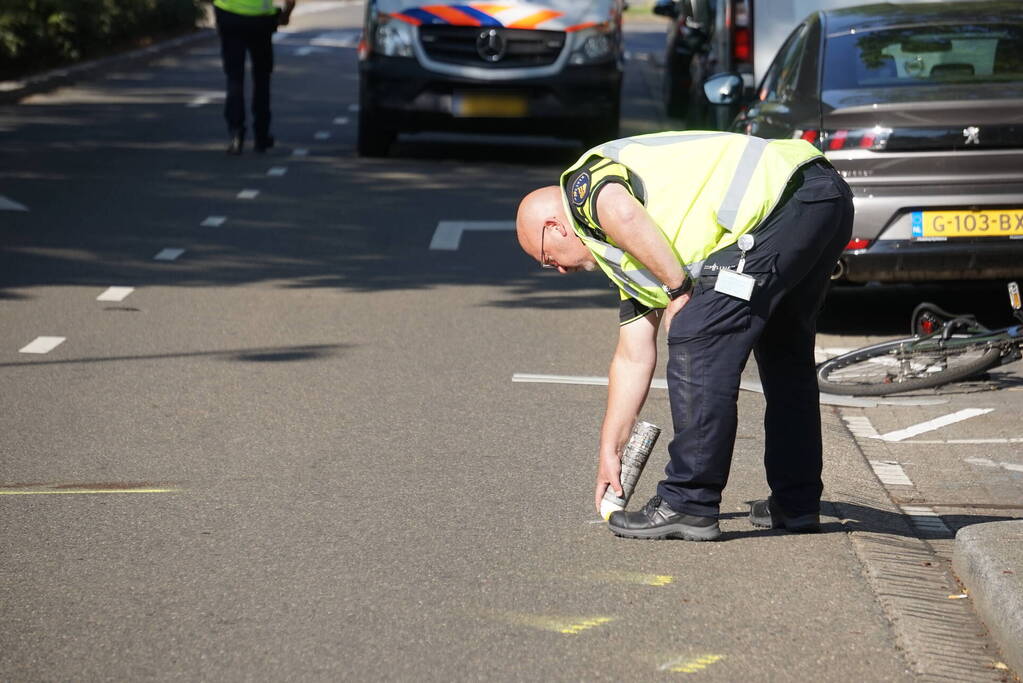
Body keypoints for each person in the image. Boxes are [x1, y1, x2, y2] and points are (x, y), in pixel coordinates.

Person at [515, 131, 854, 541]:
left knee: (697, 333)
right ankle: (796, 503)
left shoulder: (580, 192)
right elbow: (633, 357)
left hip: (781, 201)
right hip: (820, 196)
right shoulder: (628, 260)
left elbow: (621, 213)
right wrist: (610, 451)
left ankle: (689, 502)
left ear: (555, 227)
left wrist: (677, 289)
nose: (558, 269)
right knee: (784, 352)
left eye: (546, 257)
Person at [213, 0, 295, 155]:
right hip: (260, 21)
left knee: (234, 78)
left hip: (229, 16)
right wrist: (286, 14)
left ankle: (236, 133)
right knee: (262, 78)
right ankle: (261, 135)